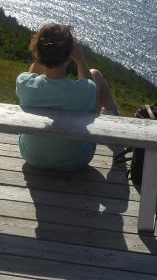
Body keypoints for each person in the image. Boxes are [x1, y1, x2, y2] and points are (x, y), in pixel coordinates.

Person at [16, 23, 119, 171]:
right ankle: (112, 113)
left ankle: (111, 112)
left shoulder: (23, 82)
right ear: (70, 53)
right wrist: (80, 59)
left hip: (33, 157)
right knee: (96, 75)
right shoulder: (85, 90)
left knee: (93, 79)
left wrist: (43, 52)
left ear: (38, 51)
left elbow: (33, 75)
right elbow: (89, 83)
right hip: (76, 160)